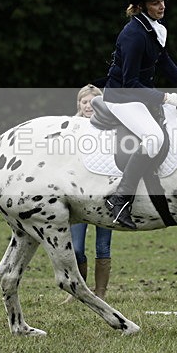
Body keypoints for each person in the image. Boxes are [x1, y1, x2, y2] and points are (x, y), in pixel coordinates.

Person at [102, 0, 177, 229]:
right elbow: (129, 83)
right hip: (121, 97)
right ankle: (121, 198)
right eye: (155, 1)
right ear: (142, 5)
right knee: (154, 138)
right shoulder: (133, 34)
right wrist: (166, 97)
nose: (162, 5)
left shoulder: (151, 27)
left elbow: (163, 60)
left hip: (137, 94)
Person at [66, 84, 114, 300]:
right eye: (84, 102)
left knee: (102, 246)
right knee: (75, 248)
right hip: (78, 196)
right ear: (79, 104)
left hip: (105, 196)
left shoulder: (112, 127)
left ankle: (101, 293)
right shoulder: (71, 128)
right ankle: (80, 291)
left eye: (92, 102)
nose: (88, 106)